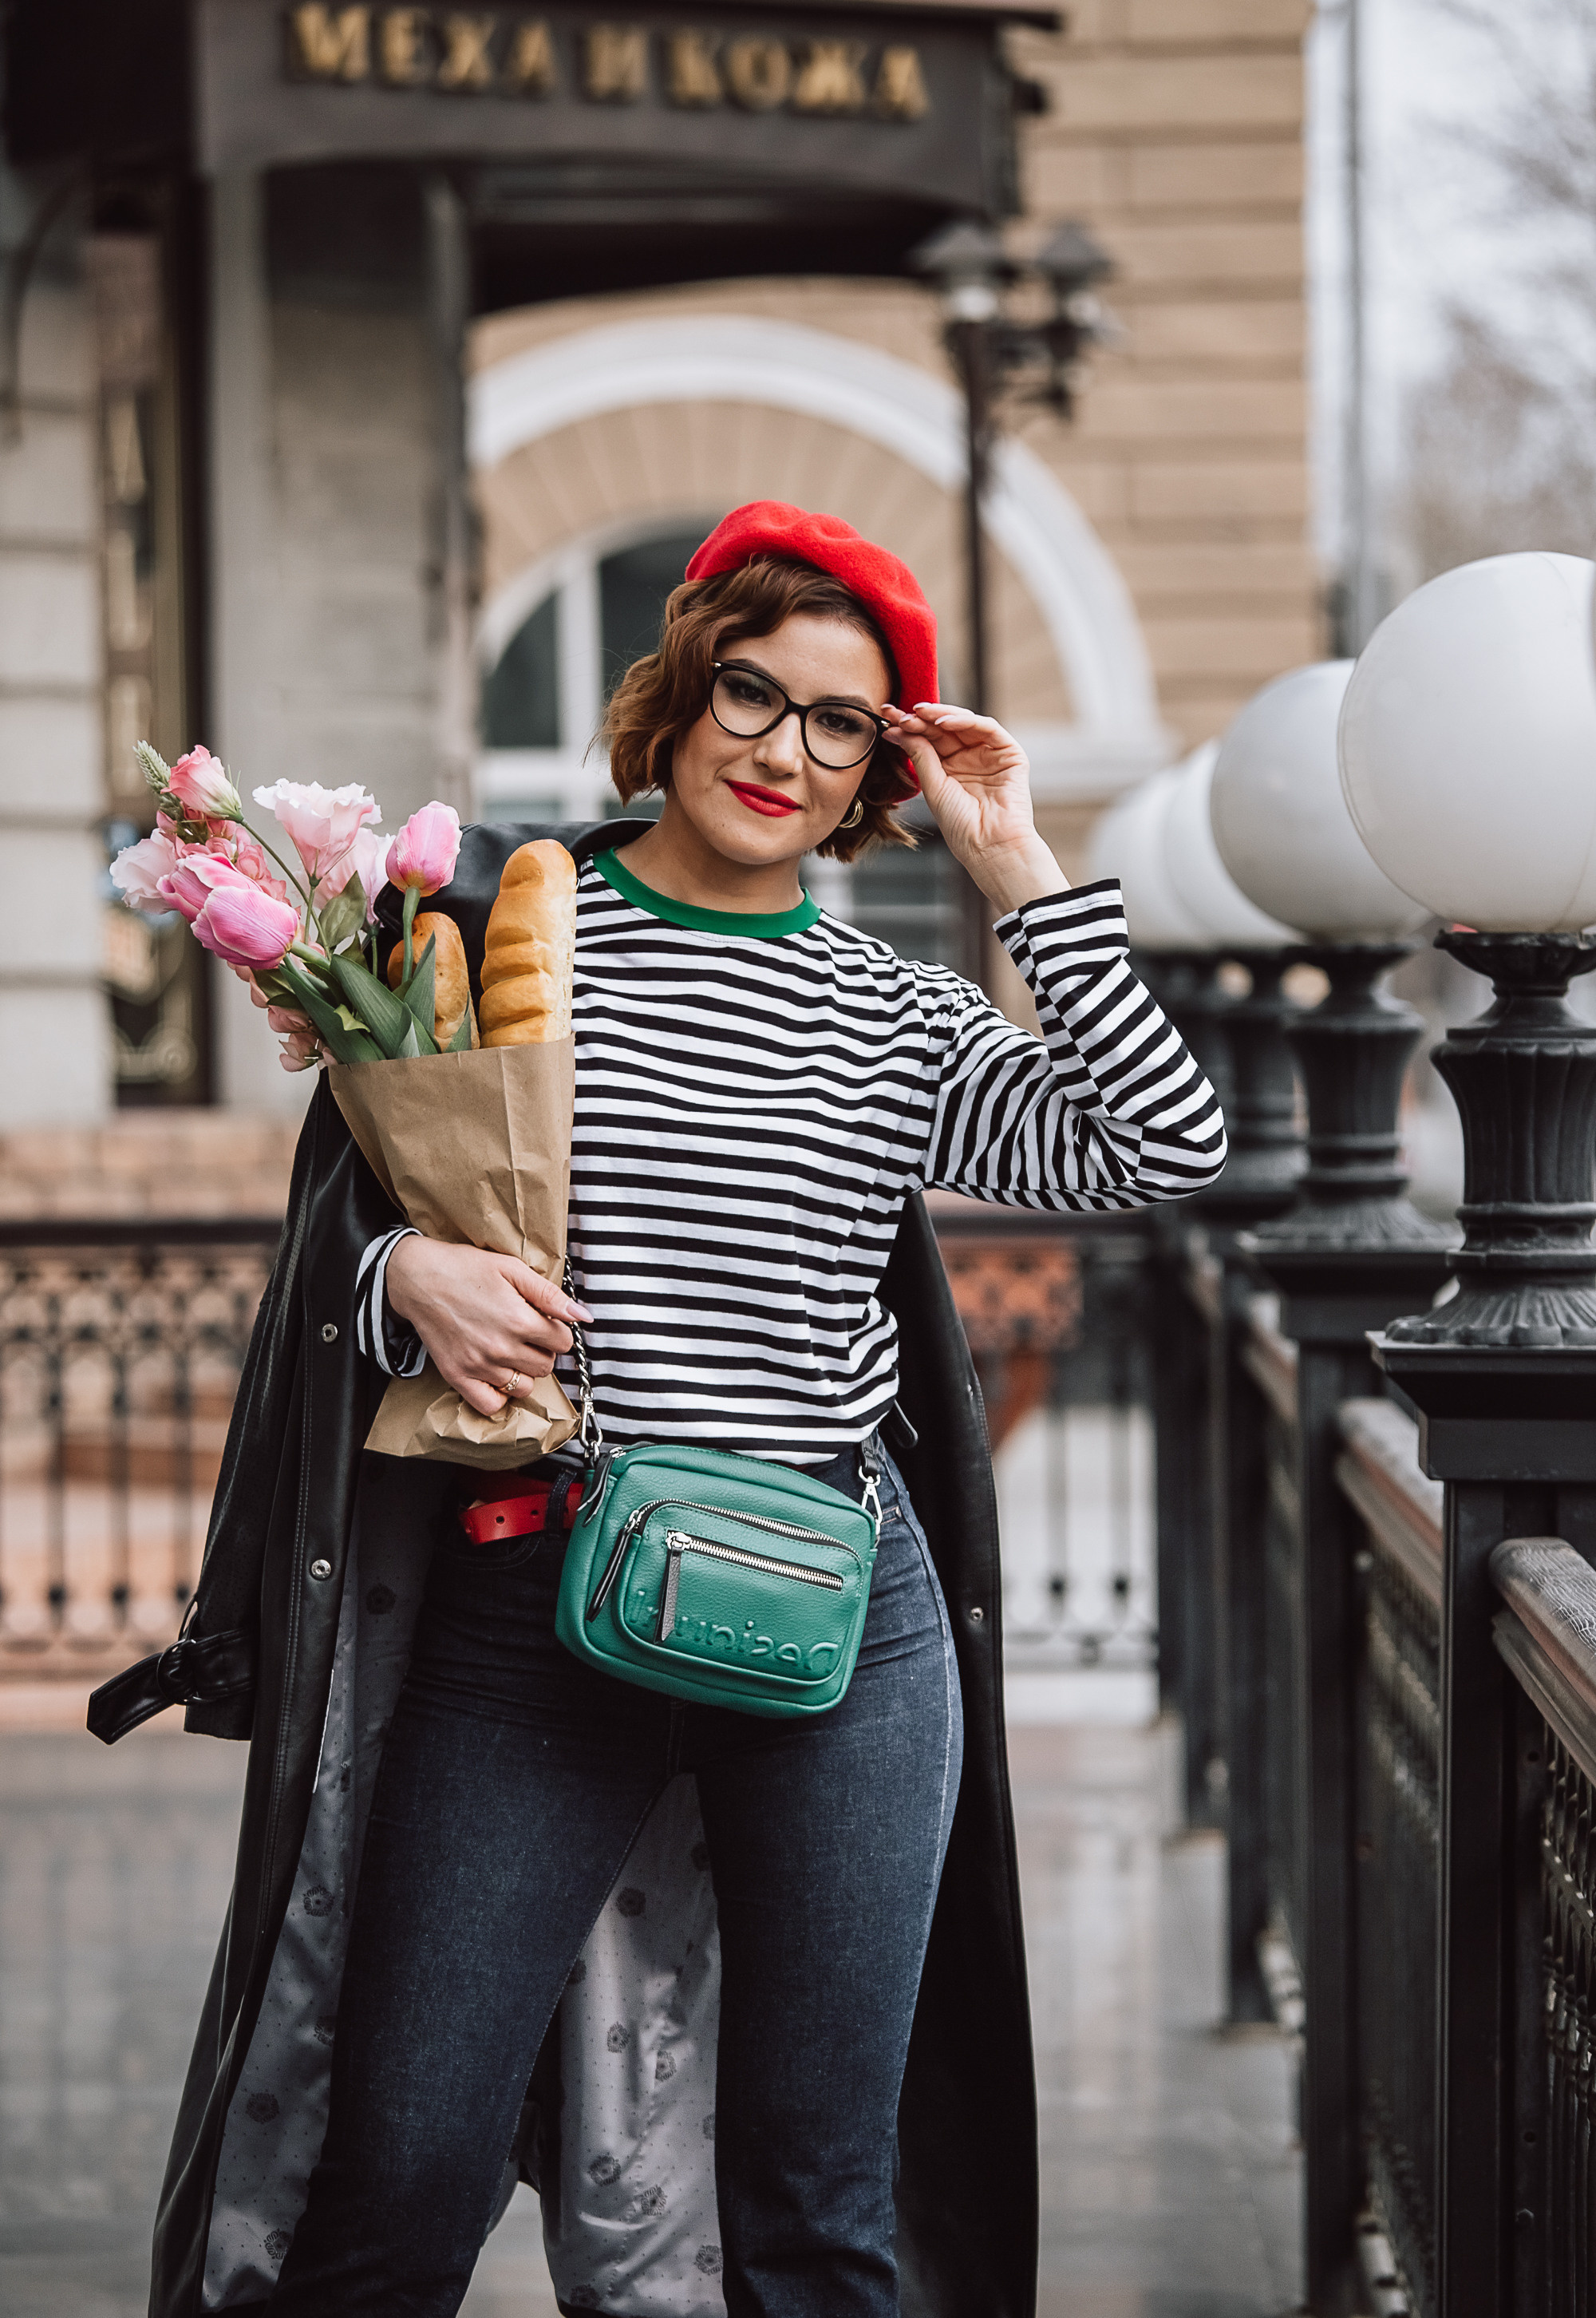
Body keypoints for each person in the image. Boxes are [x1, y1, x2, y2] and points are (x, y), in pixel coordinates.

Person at [131, 504, 1225, 2318]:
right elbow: (337, 1242)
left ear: (879, 769)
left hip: (840, 1624)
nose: (784, 749)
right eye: (753, 693)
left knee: (818, 2209)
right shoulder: (482, 938)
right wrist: (405, 1280)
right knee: (399, 2177)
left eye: (840, 723)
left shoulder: (895, 1012)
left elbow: (1159, 1146)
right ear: (682, 690)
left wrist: (1025, 870)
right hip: (532, 1607)